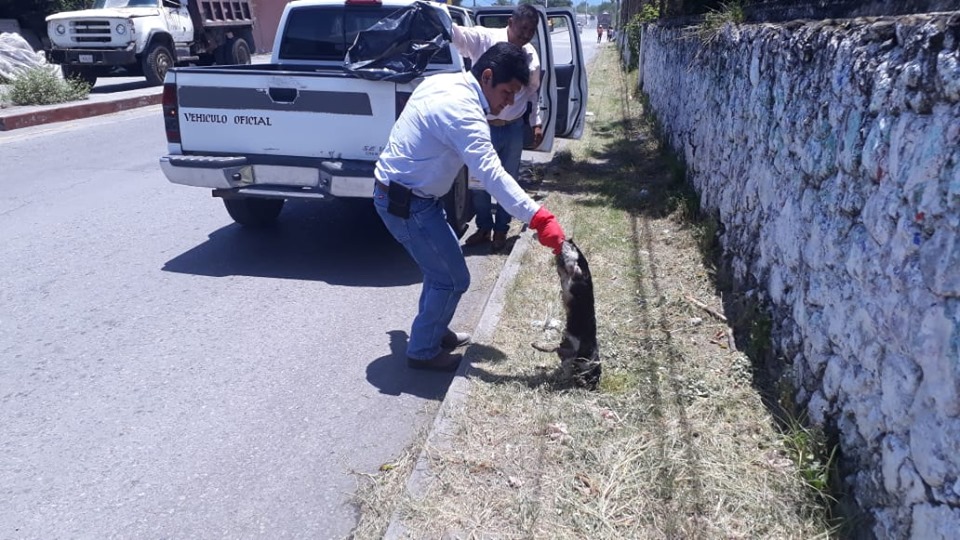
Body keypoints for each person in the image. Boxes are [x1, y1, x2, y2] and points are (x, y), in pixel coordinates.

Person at [373, 42, 566, 372]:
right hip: (406, 203)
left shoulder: (444, 81)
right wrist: (538, 217)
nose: (508, 103)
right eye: (507, 92)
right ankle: (422, 351)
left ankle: (433, 329)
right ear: (487, 76)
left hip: (412, 196)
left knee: (440, 271)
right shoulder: (462, 111)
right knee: (452, 278)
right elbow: (491, 173)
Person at [451, 4, 543, 252]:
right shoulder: (486, 39)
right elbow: (458, 35)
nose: (526, 35)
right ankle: (484, 227)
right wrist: (438, 18)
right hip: (483, 128)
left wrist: (536, 122)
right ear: (511, 22)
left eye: (531, 31)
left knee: (508, 182)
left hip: (513, 130)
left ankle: (501, 230)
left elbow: (534, 93)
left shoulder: (531, 55)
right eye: (523, 28)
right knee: (478, 182)